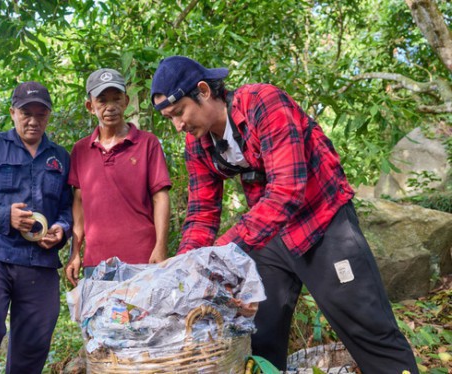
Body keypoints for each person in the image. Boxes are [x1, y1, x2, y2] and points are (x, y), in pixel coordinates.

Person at [150, 56, 418, 373]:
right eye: (170, 118)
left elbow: (287, 191)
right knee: (256, 336)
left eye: (180, 112)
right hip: (271, 234)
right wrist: (187, 264)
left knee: (368, 328)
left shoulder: (263, 103)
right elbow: (201, 211)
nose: (178, 124)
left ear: (205, 91)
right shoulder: (198, 143)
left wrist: (220, 253)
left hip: (323, 222)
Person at [0, 81, 72, 373]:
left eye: (41, 114)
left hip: (39, 259)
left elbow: (67, 207)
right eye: (26, 113)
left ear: (49, 116)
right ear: (13, 112)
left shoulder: (60, 157)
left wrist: (61, 228)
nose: (33, 120)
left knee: (36, 336)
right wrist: (4, 215)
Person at [65, 68, 171, 285]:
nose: (110, 107)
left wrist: (160, 246)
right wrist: (75, 252)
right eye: (102, 101)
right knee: (99, 319)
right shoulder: (80, 150)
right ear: (90, 107)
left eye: (116, 99)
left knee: (144, 319)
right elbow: (79, 202)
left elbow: (160, 197)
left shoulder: (147, 143)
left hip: (142, 258)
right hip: (96, 262)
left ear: (126, 101)